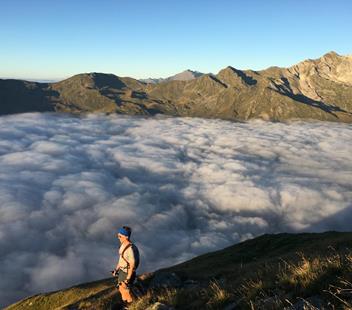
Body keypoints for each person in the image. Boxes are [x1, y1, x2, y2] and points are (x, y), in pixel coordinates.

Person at [112, 226, 138, 306]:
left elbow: (132, 264)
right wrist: (116, 270)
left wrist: (127, 279)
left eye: (120, 236)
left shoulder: (129, 249)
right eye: (117, 236)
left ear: (126, 236)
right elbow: (122, 259)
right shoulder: (123, 245)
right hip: (122, 271)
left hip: (126, 273)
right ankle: (126, 303)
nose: (118, 238)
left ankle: (131, 305)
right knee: (121, 289)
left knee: (125, 290)